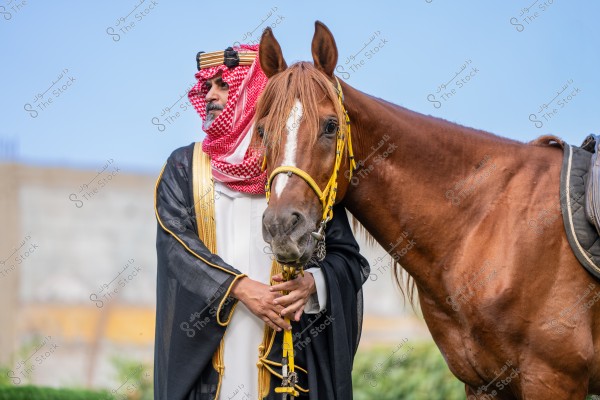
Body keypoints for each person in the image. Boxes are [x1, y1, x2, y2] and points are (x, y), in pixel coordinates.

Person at [153, 43, 369, 399]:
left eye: (223, 85)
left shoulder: (300, 177)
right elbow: (176, 249)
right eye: (207, 87)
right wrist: (239, 288)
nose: (211, 95)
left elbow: (348, 261)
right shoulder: (184, 168)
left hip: (288, 362)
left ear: (256, 88)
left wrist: (313, 284)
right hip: (210, 359)